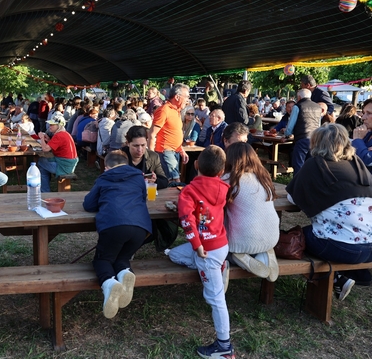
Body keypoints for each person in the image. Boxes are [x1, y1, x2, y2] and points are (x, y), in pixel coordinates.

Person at [287, 123, 372, 300]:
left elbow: (293, 197)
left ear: (316, 143)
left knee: (297, 237)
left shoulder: (315, 165)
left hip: (340, 247)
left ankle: (336, 278)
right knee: (334, 232)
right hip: (368, 248)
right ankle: (345, 275)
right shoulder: (358, 164)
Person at [165, 145, 235, 359]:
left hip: (206, 250)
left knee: (215, 298)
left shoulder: (189, 191)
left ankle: (224, 347)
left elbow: (187, 220)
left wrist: (196, 245)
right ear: (222, 170)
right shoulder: (224, 187)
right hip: (220, 245)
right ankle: (217, 266)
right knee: (173, 254)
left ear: (196, 165)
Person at [82, 150, 152, 319]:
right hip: (141, 228)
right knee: (122, 257)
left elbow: (89, 205)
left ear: (106, 167)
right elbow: (143, 198)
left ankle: (109, 283)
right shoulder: (138, 177)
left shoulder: (104, 178)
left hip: (113, 225)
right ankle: (125, 272)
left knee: (102, 259)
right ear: (127, 164)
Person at [223, 142, 279, 281]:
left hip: (241, 240)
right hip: (272, 237)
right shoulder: (264, 177)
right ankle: (264, 254)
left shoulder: (228, 179)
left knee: (221, 252)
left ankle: (236, 257)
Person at [149, 83, 191, 183]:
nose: (188, 100)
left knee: (173, 181)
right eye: (186, 97)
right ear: (177, 97)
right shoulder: (164, 110)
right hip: (165, 151)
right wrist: (151, 157)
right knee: (174, 181)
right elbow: (152, 134)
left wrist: (181, 150)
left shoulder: (176, 111)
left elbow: (173, 133)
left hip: (174, 151)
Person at [282, 88, 320, 174]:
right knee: (311, 165)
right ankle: (309, 181)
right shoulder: (317, 107)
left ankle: (298, 182)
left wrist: (287, 134)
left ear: (299, 97)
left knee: (298, 164)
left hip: (302, 137)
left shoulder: (298, 106)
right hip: (315, 139)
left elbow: (291, 124)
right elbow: (318, 124)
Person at [37, 114, 78, 192]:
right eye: (50, 124)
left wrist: (41, 138)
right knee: (43, 163)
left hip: (64, 166)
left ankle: (45, 191)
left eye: (52, 125)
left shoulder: (59, 135)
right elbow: (56, 146)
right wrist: (49, 140)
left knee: (41, 162)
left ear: (59, 126)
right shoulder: (64, 133)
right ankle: (45, 190)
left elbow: (45, 149)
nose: (50, 126)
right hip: (68, 163)